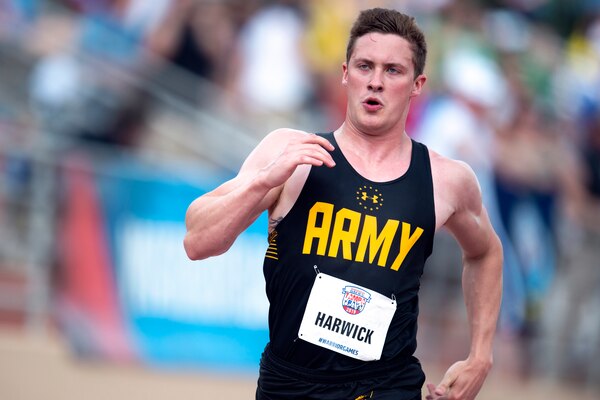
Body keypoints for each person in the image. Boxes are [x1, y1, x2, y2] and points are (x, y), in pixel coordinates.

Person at [184, 8, 503, 400]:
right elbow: (197, 241)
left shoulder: (446, 179)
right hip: (291, 384)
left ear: (417, 84)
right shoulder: (291, 152)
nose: (376, 82)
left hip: (388, 385)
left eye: (393, 71)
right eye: (365, 66)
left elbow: (486, 252)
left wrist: (481, 355)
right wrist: (263, 182)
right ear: (345, 73)